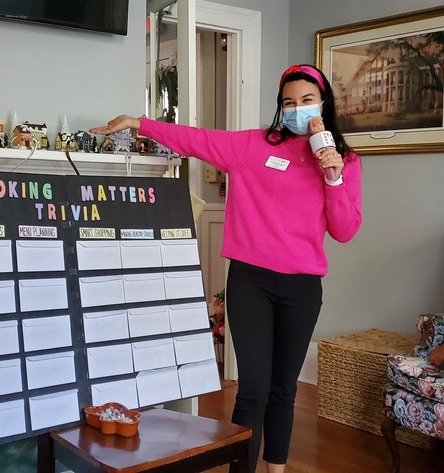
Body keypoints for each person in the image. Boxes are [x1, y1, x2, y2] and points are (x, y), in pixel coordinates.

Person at [90, 64, 362, 473]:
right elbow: (196, 139)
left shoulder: (344, 161)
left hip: (303, 287)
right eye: (289, 103)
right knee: (253, 389)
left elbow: (344, 231)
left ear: (323, 103)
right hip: (251, 282)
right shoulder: (252, 146)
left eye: (307, 100)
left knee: (283, 390)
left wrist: (334, 178)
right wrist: (139, 123)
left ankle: (276, 469)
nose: (298, 109)